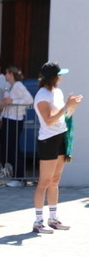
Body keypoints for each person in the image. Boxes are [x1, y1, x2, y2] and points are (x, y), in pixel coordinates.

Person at [32, 62, 82, 233]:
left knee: (55, 180)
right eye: (59, 74)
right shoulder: (42, 95)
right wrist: (66, 106)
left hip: (60, 137)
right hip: (48, 140)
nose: (61, 77)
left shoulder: (57, 92)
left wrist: (72, 107)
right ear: (53, 77)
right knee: (44, 182)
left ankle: (53, 218)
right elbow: (48, 120)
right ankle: (38, 222)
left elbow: (63, 116)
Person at [0, 66, 33, 187]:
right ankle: (11, 175)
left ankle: (19, 178)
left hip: (15, 120)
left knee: (14, 148)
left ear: (11, 74)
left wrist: (12, 101)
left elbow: (29, 100)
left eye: (6, 73)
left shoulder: (18, 85)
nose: (5, 75)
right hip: (8, 119)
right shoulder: (9, 86)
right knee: (8, 148)